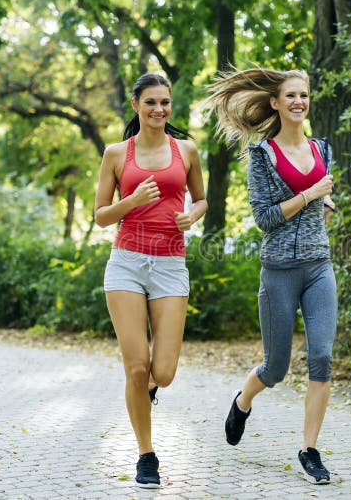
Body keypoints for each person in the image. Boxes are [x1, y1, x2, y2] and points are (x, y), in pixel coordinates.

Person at [201, 67, 338, 484]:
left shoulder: (322, 148)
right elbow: (264, 218)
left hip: (318, 267)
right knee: (275, 368)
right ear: (276, 103)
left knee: (322, 358)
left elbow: (324, 194)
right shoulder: (262, 156)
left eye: (304, 95)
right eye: (291, 95)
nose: (299, 101)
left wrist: (325, 203)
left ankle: (309, 450)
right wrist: (310, 195)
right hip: (278, 271)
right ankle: (242, 401)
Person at [94, 73, 207, 489]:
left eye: (165, 102)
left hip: (170, 265)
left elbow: (202, 199)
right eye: (151, 102)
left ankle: (149, 391)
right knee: (137, 367)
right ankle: (146, 455)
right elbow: (101, 215)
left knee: (164, 370)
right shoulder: (116, 154)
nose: (159, 109)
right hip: (126, 262)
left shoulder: (188, 151)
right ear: (136, 105)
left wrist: (191, 216)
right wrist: (132, 201)